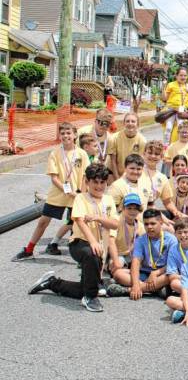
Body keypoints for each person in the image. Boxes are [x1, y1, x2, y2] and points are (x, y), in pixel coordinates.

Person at [28, 163, 118, 312]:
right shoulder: (81, 198)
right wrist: (93, 241)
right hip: (79, 243)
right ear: (87, 182)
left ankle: (52, 283)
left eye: (102, 182)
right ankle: (90, 298)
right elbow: (80, 221)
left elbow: (114, 224)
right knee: (92, 254)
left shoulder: (108, 200)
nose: (99, 185)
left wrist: (98, 218)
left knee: (83, 289)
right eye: (95, 182)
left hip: (100, 245)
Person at [14, 122, 90, 261]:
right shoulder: (55, 153)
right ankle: (29, 250)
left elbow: (85, 176)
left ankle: (82, 257)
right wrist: (69, 192)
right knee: (43, 221)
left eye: (68, 133)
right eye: (62, 133)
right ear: (59, 136)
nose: (65, 136)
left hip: (77, 196)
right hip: (58, 194)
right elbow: (54, 178)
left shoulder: (82, 154)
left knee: (78, 225)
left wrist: (81, 195)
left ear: (74, 135)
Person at [129, 209, 177, 299]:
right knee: (119, 274)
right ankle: (156, 288)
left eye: (153, 223)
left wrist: (155, 273)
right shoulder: (140, 240)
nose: (149, 227)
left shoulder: (171, 239)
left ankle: (131, 290)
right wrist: (135, 284)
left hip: (162, 273)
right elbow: (136, 262)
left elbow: (172, 264)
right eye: (146, 224)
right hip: (145, 273)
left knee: (170, 277)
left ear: (161, 222)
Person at [107, 193, 145, 290]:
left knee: (143, 266)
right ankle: (144, 286)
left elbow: (143, 246)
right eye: (129, 208)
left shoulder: (140, 225)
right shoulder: (117, 220)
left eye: (135, 209)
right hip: (118, 254)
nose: (132, 211)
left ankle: (129, 283)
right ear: (123, 208)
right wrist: (116, 262)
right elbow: (111, 242)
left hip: (132, 255)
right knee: (116, 266)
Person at [161, 67, 188, 145]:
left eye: (185, 75)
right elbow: (164, 99)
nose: (183, 77)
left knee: (181, 128)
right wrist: (163, 86)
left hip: (182, 110)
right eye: (181, 75)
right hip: (171, 109)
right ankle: (165, 145)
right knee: (168, 128)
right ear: (176, 76)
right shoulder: (171, 85)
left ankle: (180, 144)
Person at [109, 113, 147, 178]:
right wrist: (117, 179)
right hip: (113, 172)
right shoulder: (114, 138)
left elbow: (140, 163)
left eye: (133, 121)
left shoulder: (142, 141)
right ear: (124, 123)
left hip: (131, 174)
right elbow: (113, 161)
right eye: (127, 121)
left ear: (137, 125)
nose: (130, 123)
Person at [141, 140, 169, 208]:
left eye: (156, 154)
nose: (153, 156)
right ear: (144, 154)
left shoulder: (163, 178)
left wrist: (177, 212)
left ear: (161, 157)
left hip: (150, 210)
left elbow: (168, 202)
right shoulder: (135, 171)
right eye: (150, 153)